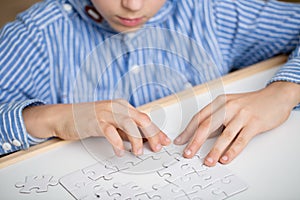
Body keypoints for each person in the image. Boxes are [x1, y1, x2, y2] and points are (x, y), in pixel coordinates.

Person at [0, 0, 300, 167]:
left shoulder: (211, 9)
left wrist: (283, 92)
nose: (133, 5)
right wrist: (49, 118)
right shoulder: (36, 35)